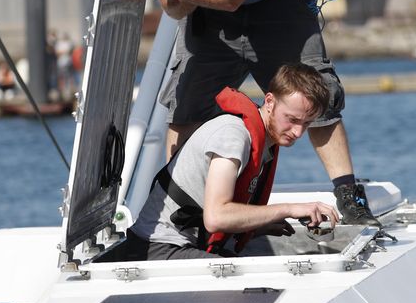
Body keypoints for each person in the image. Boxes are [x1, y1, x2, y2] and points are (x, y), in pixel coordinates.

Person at [129, 0, 379, 226]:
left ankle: (351, 199)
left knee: (317, 94)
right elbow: (176, 9)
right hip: (206, 10)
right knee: (186, 104)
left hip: (277, 0)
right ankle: (176, 208)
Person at [126, 63, 341, 260]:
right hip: (158, 246)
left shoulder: (266, 140)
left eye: (307, 123)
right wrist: (289, 209)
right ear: (270, 101)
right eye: (292, 120)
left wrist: (259, 225)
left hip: (187, 242)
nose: (298, 132)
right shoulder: (233, 135)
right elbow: (216, 217)